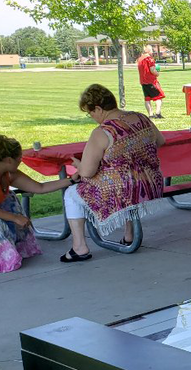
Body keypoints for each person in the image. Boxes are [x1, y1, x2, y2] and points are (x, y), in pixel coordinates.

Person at [61, 84, 165, 262]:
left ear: (99, 109)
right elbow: (160, 141)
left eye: (90, 113)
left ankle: (79, 247)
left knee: (71, 194)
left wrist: (78, 165)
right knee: (125, 184)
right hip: (151, 183)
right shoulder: (141, 118)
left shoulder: (102, 132)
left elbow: (86, 172)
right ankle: (129, 234)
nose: (92, 117)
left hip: (123, 189)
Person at [0, 135, 72, 273]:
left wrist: (70, 181)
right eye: (19, 158)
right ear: (9, 159)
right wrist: (15, 218)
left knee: (9, 200)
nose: (20, 161)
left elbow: (39, 188)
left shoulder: (7, 171)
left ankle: (13, 244)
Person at [137, 45, 165, 118]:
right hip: (151, 81)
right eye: (152, 50)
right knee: (159, 97)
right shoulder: (149, 59)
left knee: (147, 98)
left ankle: (150, 114)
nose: (153, 52)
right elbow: (152, 70)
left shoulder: (139, 59)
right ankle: (158, 113)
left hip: (143, 81)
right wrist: (157, 73)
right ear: (148, 51)